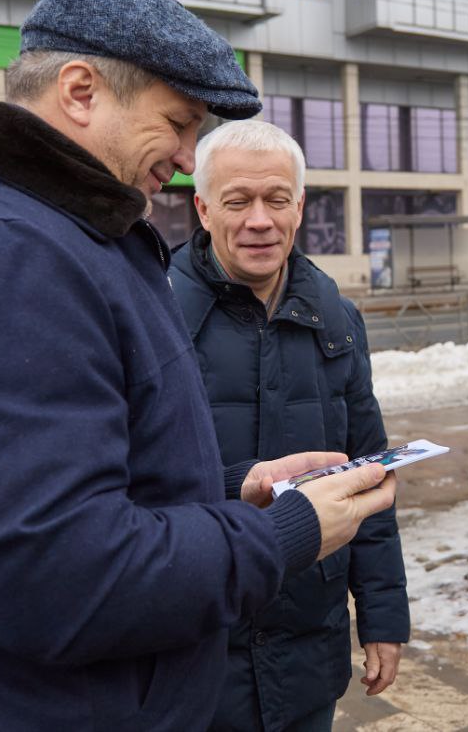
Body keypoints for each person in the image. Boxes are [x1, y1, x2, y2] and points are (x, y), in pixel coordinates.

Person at [0, 0, 395, 731]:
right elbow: (58, 576)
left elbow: (83, 482)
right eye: (178, 122)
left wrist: (236, 488)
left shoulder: (51, 234)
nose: (191, 154)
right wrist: (283, 533)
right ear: (79, 91)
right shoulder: (1, 256)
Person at [168, 120, 409, 731]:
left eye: (277, 199)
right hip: (194, 648)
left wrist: (382, 618)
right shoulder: (153, 311)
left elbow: (369, 473)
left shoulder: (336, 318)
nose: (260, 220)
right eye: (237, 201)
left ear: (299, 206)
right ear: (201, 208)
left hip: (308, 645)